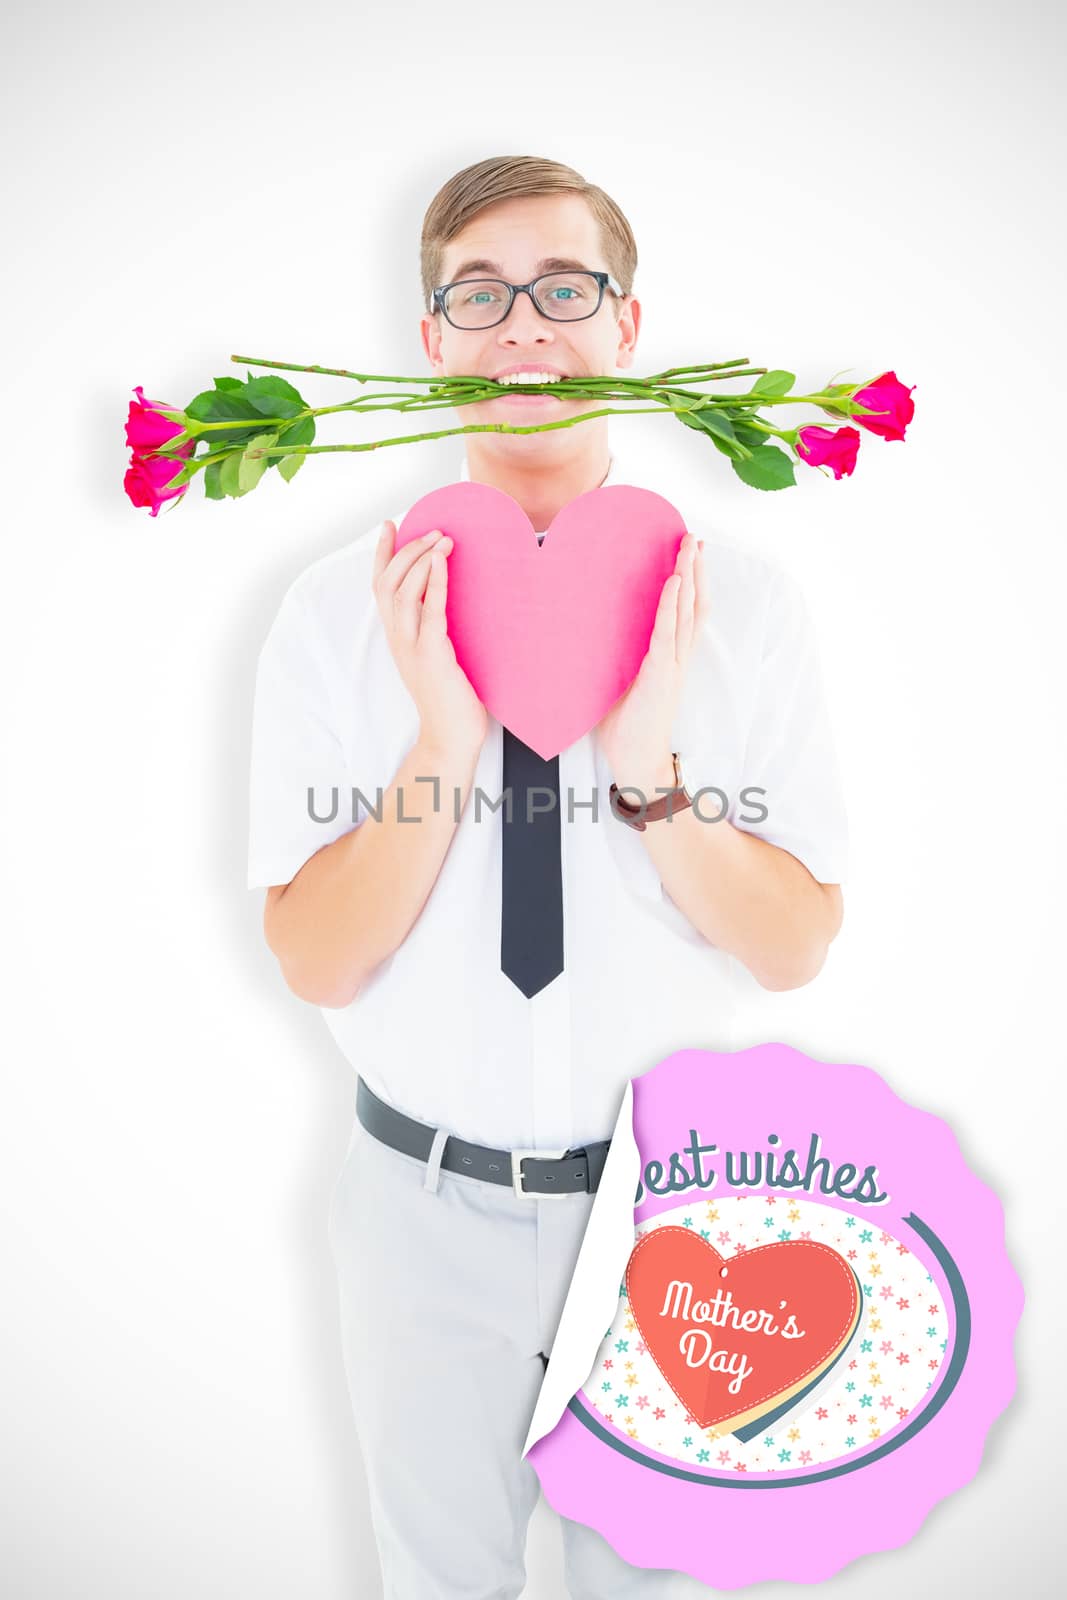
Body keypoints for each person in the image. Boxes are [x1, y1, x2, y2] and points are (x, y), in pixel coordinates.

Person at [247, 154, 848, 1599]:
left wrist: (650, 771)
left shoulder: (739, 605)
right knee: (435, 1576)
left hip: (675, 1213)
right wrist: (443, 739)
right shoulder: (337, 613)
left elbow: (795, 945)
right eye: (481, 293)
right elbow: (318, 959)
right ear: (431, 340)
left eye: (564, 288)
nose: (525, 325)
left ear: (628, 329)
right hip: (418, 1207)